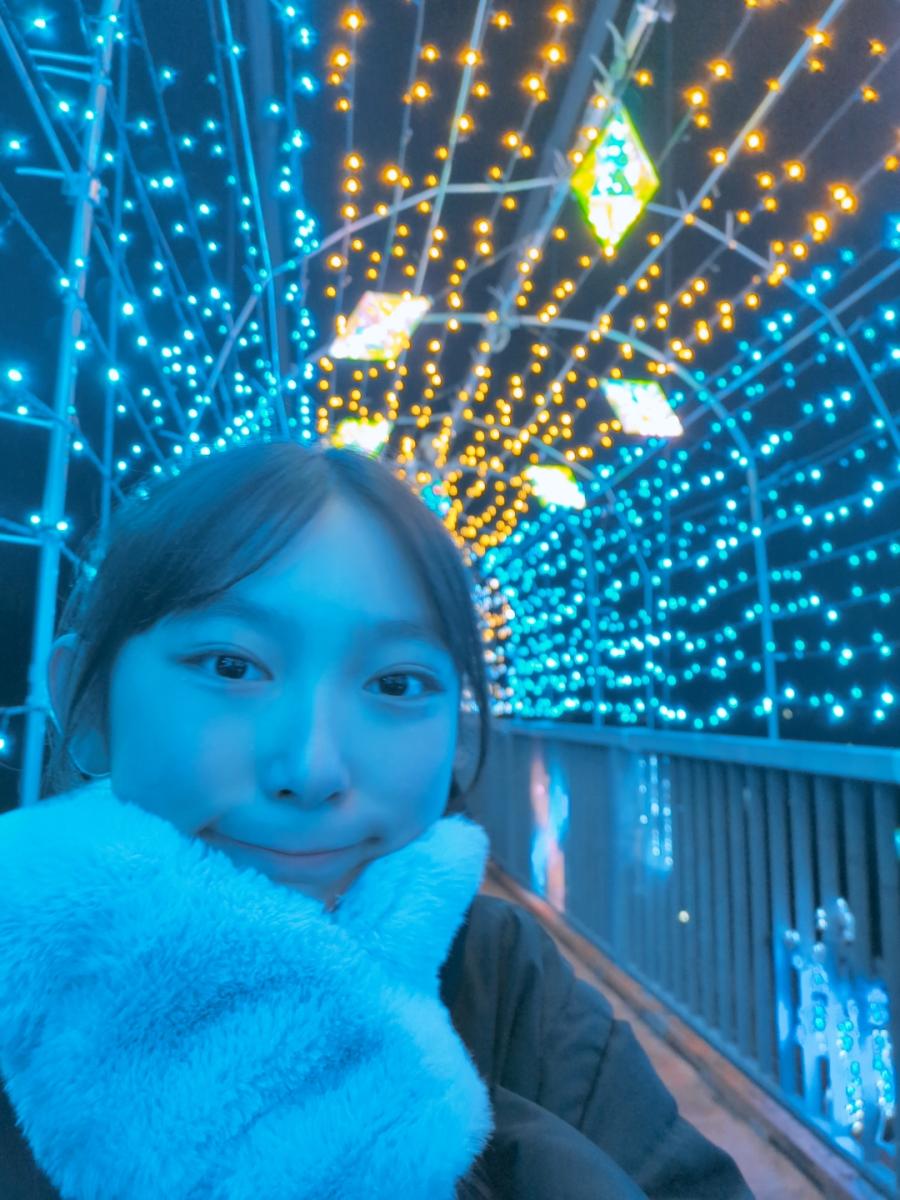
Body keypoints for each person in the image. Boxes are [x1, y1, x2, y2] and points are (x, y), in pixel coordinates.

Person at [0, 439, 754, 1198]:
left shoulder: (501, 972)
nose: (312, 769)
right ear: (86, 704)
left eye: (396, 683)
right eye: (231, 665)